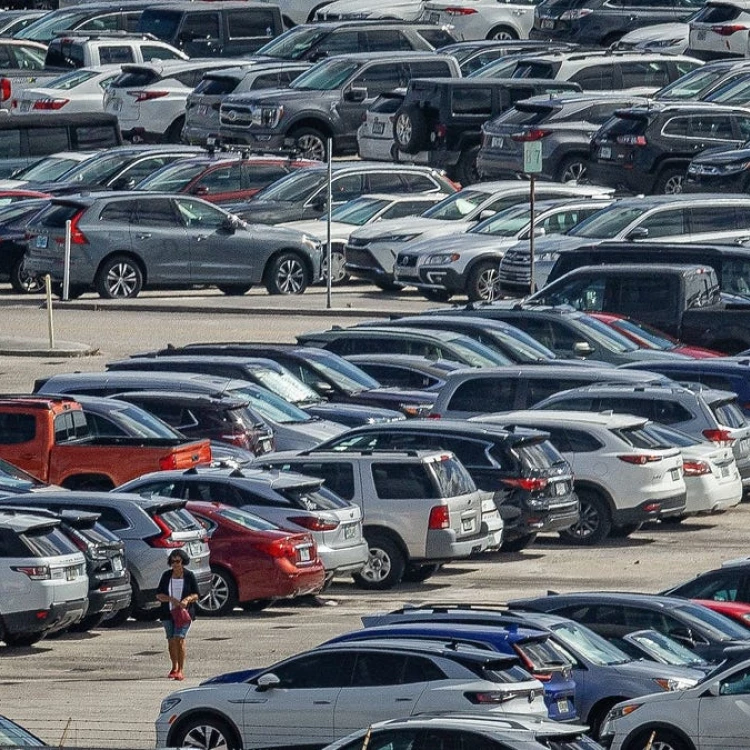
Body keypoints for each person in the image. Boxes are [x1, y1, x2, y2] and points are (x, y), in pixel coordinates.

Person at [156, 548, 199, 681]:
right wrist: (170, 599)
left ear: (183, 562)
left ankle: (180, 669)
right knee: (171, 640)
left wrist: (187, 600)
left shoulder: (189, 575)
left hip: (183, 613)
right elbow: (159, 595)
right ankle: (174, 667)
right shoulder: (166, 576)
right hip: (168, 612)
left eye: (178, 561)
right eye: (172, 561)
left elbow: (196, 594)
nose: (175, 564)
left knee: (179, 639)